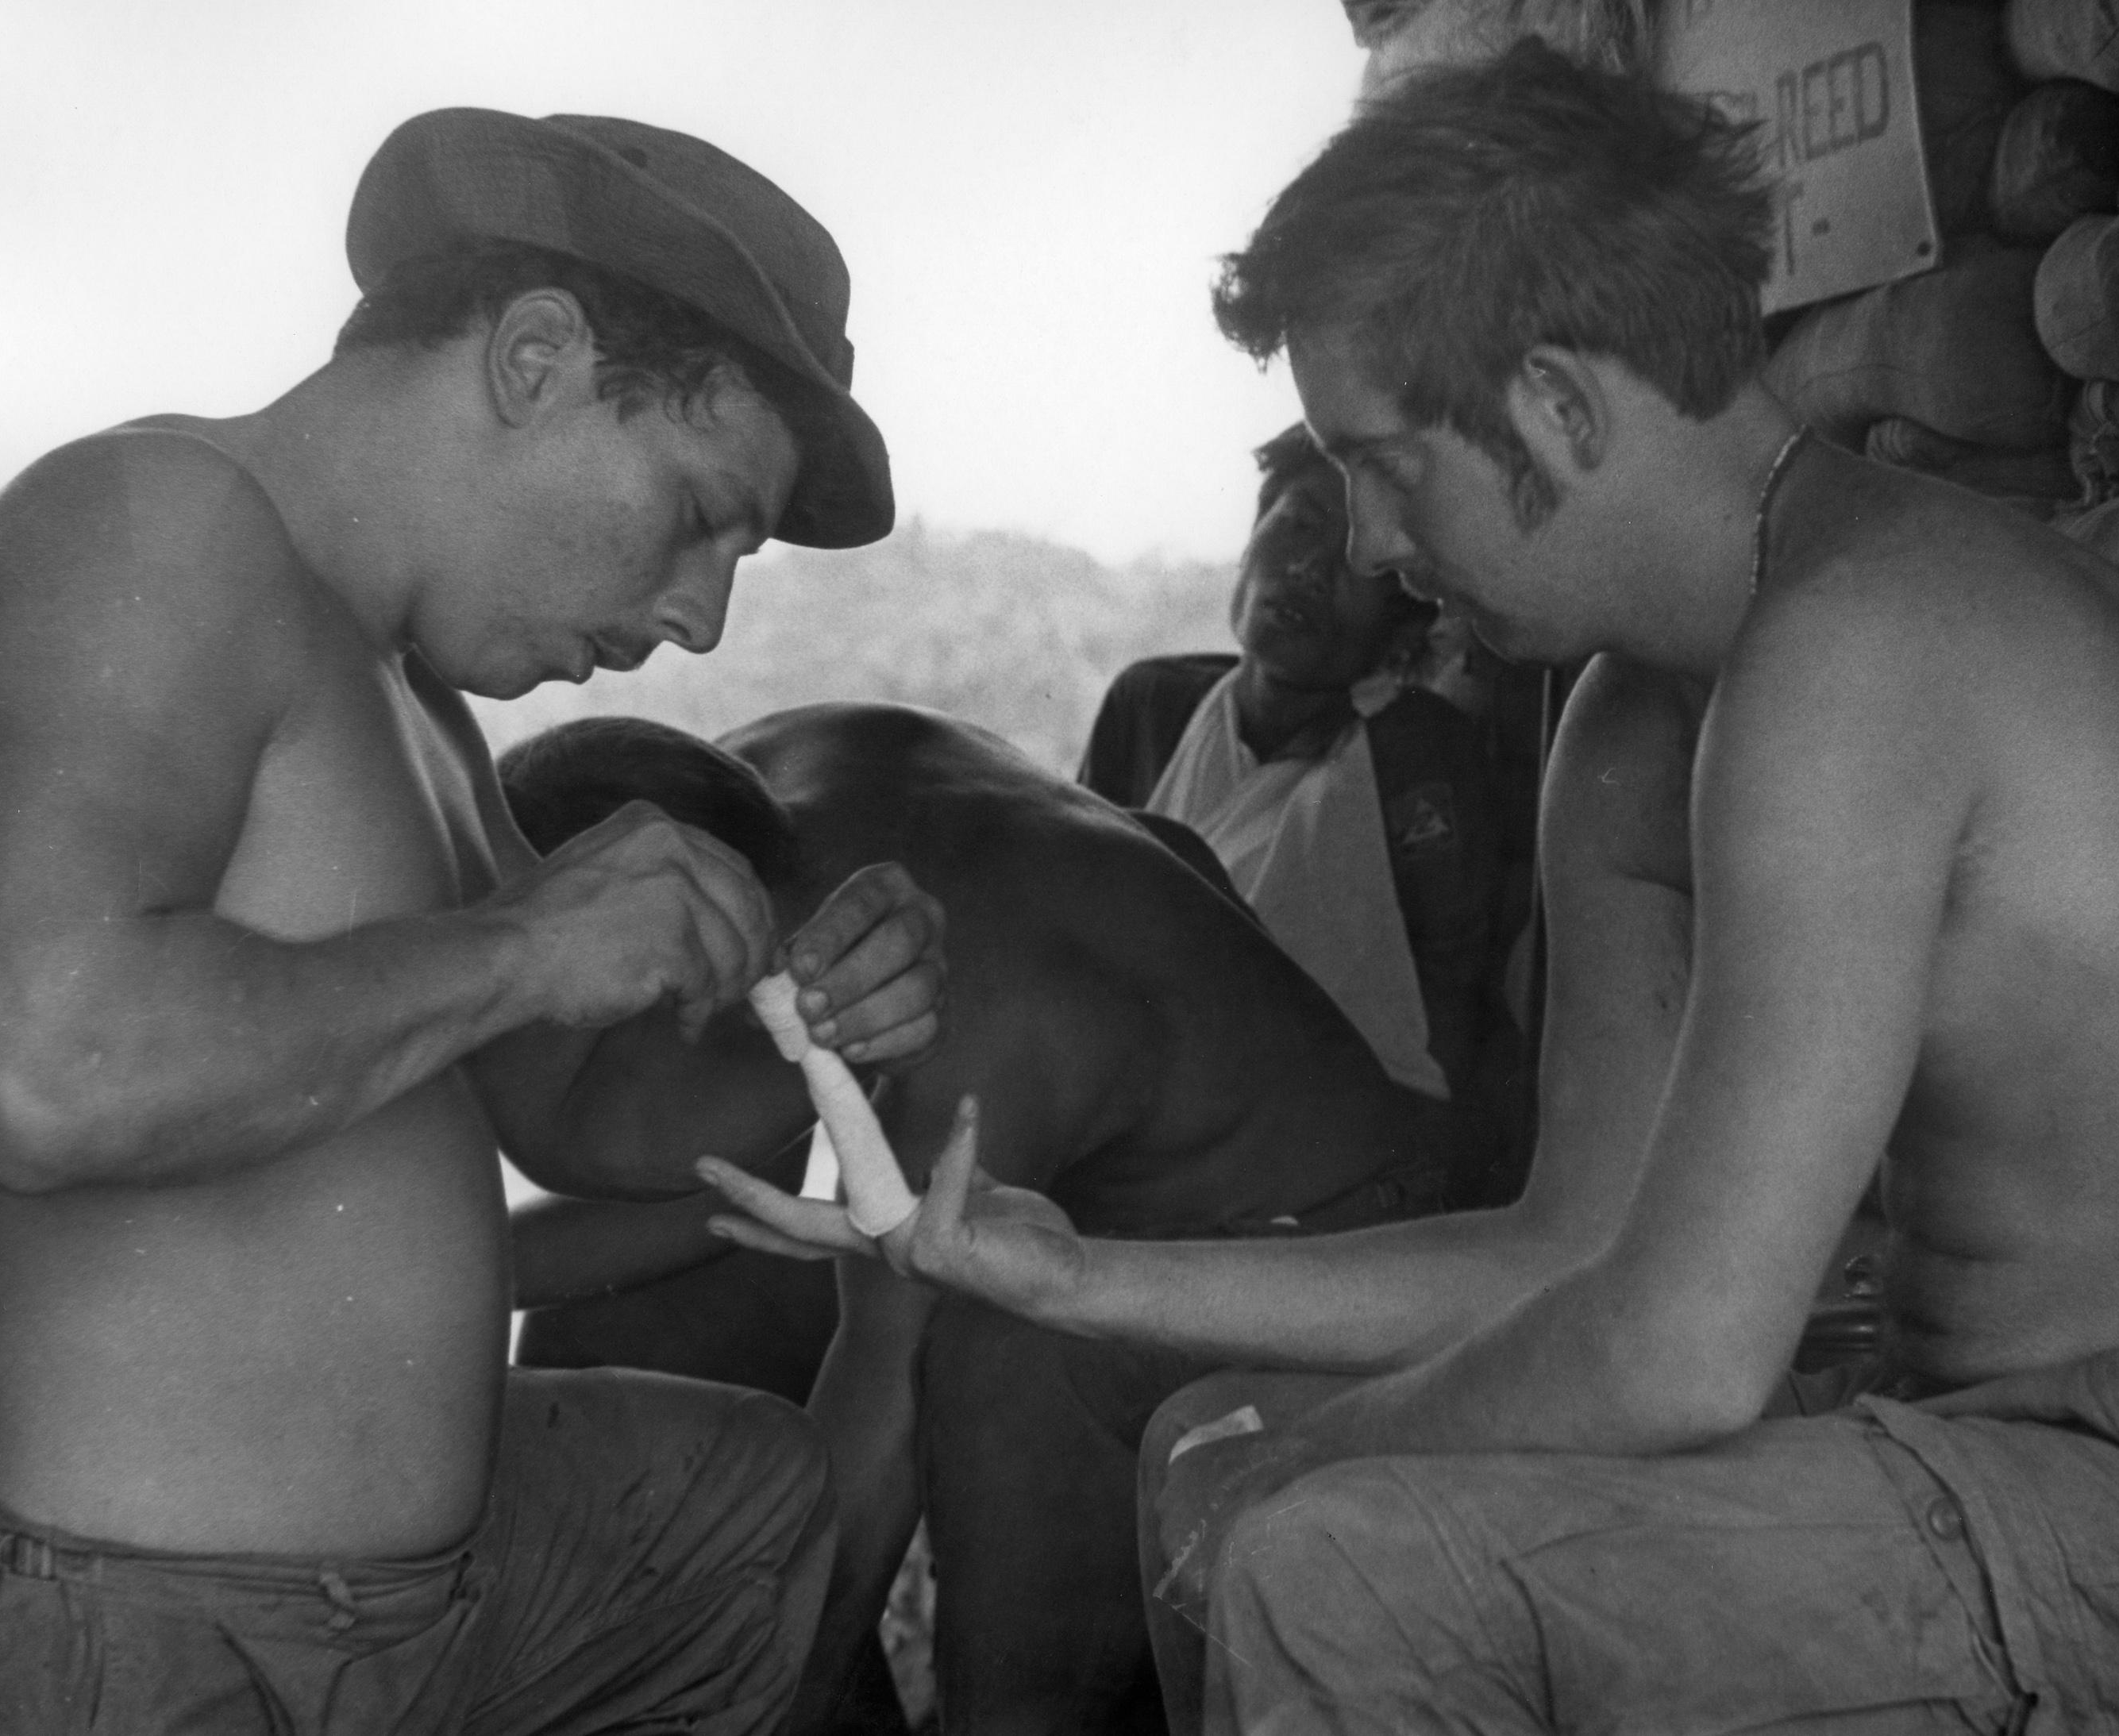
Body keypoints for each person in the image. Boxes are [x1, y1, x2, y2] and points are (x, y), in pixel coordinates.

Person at [708, 41, 2119, 1731]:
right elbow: (1575, 1249)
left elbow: (1682, 1349)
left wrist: (1290, 1475)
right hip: (1967, 1441)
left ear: (1558, 406)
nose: (1362, 541)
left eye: (1382, 462)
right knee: (1206, 1432)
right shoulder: (1633, 718)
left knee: (1329, 1557)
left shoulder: (1859, 643)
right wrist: (1074, 1277)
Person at [0, 107, 950, 1734]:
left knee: (751, 1507)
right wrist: (526, 945)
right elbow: (45, 1071)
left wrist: (821, 1022)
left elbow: (576, 1110)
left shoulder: (417, 708)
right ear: (535, 360)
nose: (699, 615)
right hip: (161, 1622)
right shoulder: (151, 522)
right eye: (699, 515)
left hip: (444, 1587)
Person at [493, 704, 1482, 1734]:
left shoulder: (971, 1011)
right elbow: (729, 1176)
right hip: (1072, 1203)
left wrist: (751, 1708)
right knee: (611, 1321)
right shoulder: (767, 796)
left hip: (1315, 1262)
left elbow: (880, 1399)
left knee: (991, 1368)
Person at [1080, 422, 1521, 1113]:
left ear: (1406, 621)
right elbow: (1076, 935)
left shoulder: (1415, 758)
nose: (1310, 569)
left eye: (1356, 561)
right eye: (1299, 524)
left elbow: (1443, 1028)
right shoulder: (1151, 707)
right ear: (1254, 529)